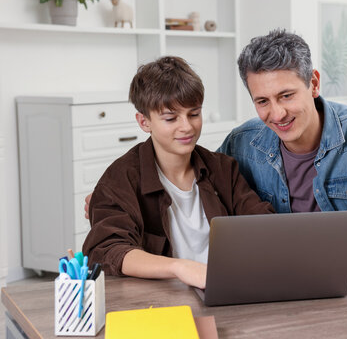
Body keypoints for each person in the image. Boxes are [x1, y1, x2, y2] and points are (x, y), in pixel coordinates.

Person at [82, 56, 274, 289]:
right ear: (144, 122)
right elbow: (108, 249)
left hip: (226, 292)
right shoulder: (120, 179)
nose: (187, 126)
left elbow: (263, 225)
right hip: (160, 302)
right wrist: (179, 267)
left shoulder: (223, 169)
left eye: (194, 114)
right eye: (171, 118)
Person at [217, 29, 347, 249]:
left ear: (314, 84)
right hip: (270, 272)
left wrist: (300, 236)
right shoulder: (240, 143)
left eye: (286, 96)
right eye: (262, 101)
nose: (277, 113)